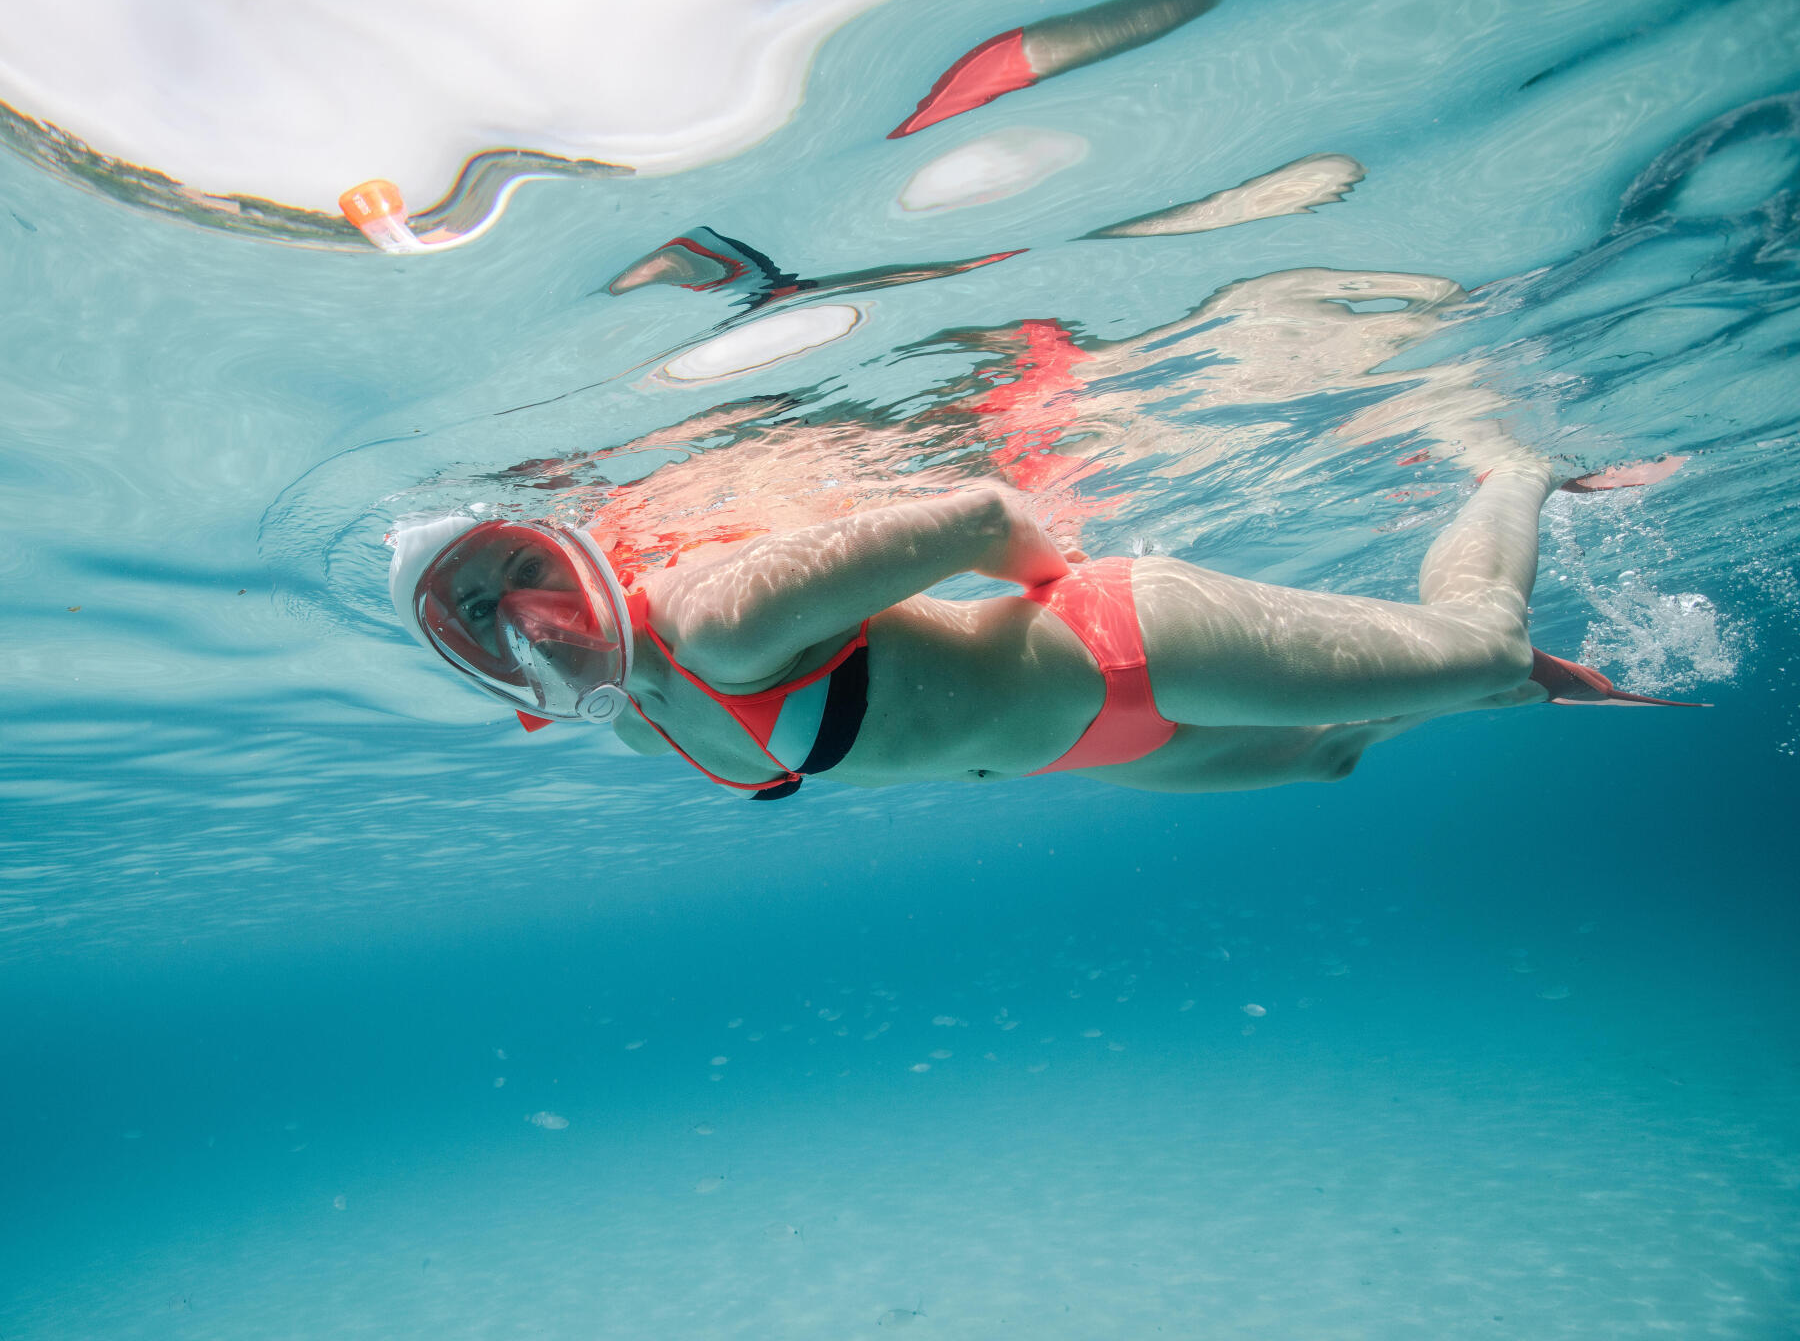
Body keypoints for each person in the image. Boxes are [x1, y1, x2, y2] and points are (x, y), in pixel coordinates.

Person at [388, 449, 1695, 801]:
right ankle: (1512, 688)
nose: (530, 622)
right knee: (1326, 755)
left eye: (524, 570)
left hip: (1128, 645)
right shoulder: (630, 732)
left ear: (569, 546)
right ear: (463, 651)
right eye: (481, 616)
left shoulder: (713, 613)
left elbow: (979, 509)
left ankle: (1515, 467)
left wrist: (1075, 616)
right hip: (1075, 752)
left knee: (1472, 646)